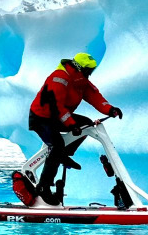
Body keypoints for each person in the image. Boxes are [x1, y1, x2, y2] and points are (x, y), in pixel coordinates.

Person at [25, 52, 122, 205]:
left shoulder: (80, 80)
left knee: (86, 124)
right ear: (79, 68)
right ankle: (43, 187)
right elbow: (56, 106)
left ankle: (64, 154)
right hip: (42, 118)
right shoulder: (60, 78)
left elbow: (95, 96)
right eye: (88, 70)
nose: (90, 74)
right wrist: (71, 124)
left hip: (57, 116)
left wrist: (110, 109)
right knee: (57, 144)